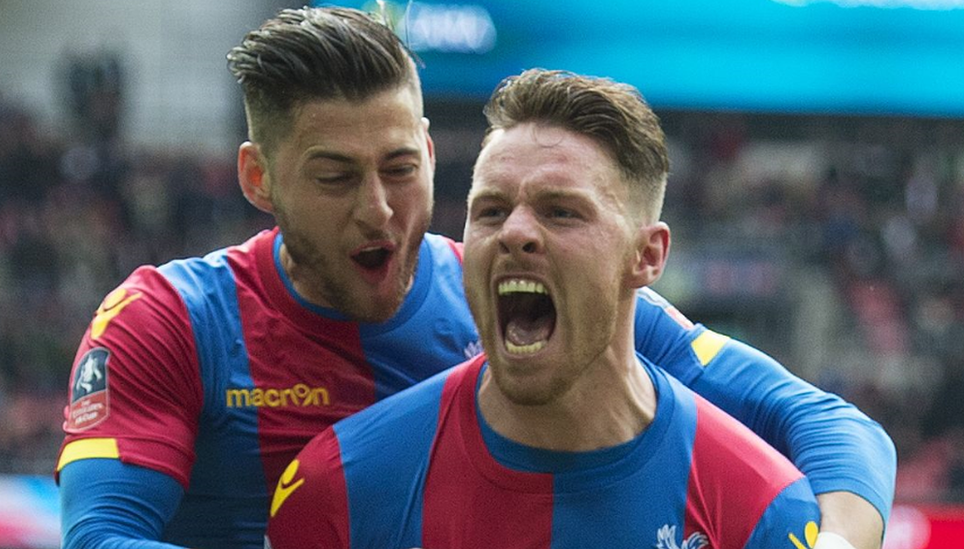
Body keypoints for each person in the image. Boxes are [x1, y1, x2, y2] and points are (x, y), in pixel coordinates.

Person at [54, 6, 892, 549]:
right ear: (258, 178)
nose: (380, 211)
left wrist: (839, 540)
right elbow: (101, 537)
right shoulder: (168, 320)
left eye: (401, 166)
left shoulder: (512, 288)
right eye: (337, 176)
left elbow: (822, 420)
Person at [265, 68, 823, 549]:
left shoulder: (761, 510)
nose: (514, 233)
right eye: (490, 210)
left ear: (646, 256)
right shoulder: (340, 487)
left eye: (560, 212)